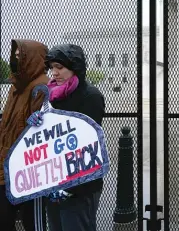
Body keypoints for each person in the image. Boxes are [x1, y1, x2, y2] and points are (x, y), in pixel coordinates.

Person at [27, 44, 105, 231]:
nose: (54, 72)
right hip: (54, 182)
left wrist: (71, 187)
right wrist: (36, 125)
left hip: (80, 186)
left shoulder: (90, 96)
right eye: (52, 67)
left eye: (60, 67)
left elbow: (87, 146)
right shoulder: (51, 96)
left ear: (75, 68)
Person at [0, 39, 48, 231]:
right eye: (15, 56)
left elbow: (37, 130)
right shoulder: (15, 86)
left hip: (28, 169)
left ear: (33, 59)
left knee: (32, 222)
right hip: (6, 163)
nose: (16, 59)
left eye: (21, 56)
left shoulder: (41, 87)